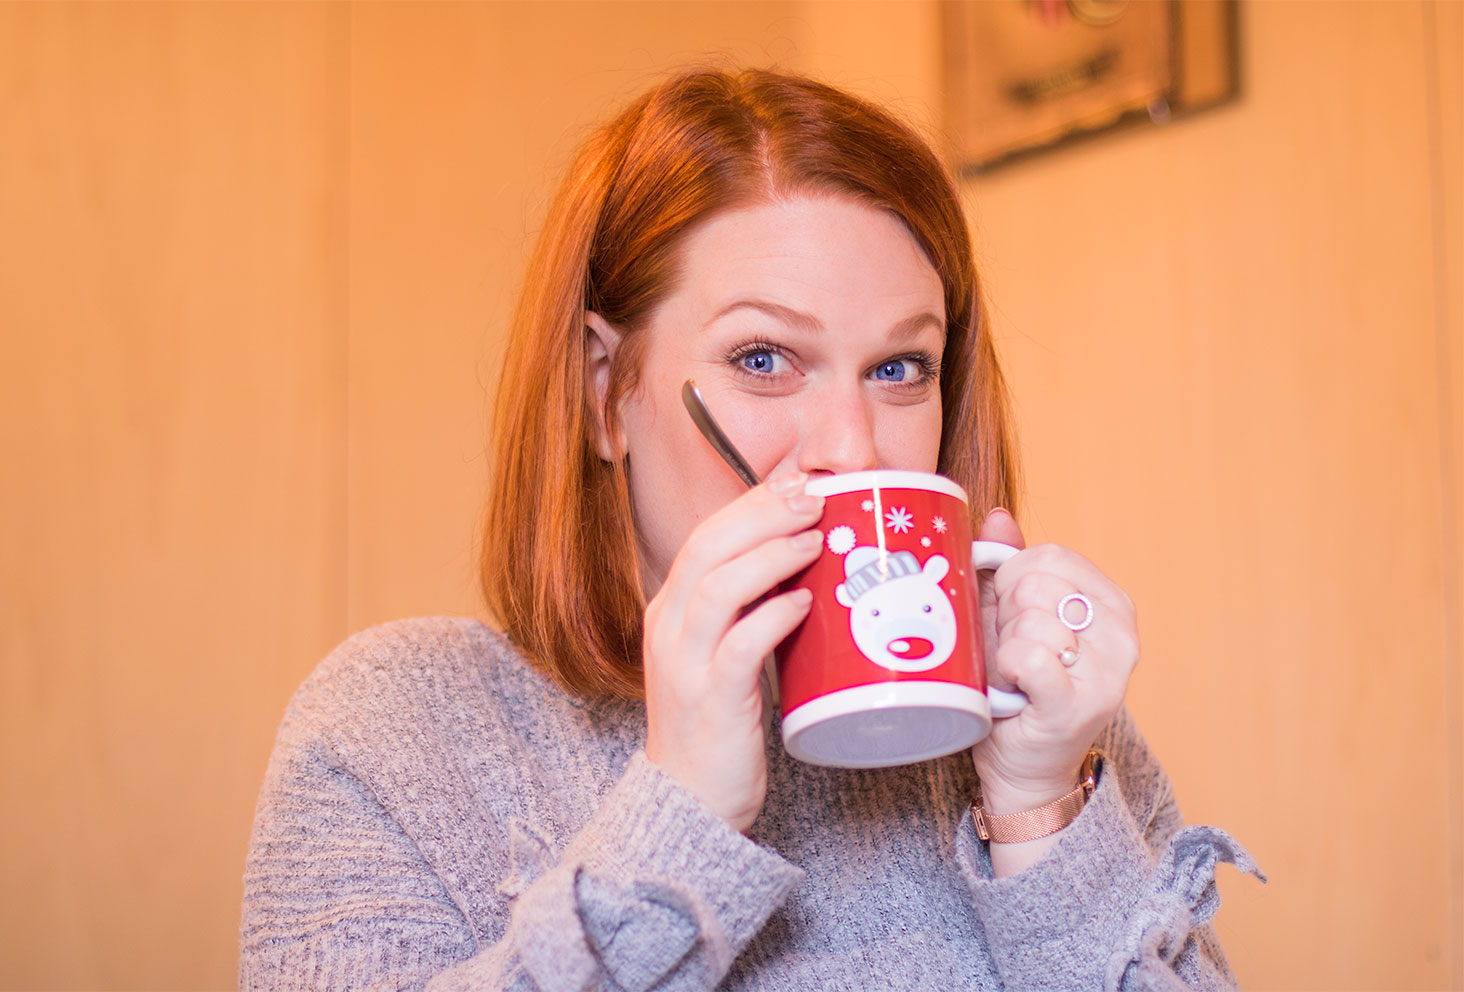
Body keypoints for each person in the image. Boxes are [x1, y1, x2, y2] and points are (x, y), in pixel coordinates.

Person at [240, 68, 1262, 991]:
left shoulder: (1039, 726)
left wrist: (1040, 810)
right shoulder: (398, 731)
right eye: (765, 358)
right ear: (607, 393)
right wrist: (678, 814)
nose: (853, 452)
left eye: (900, 367)